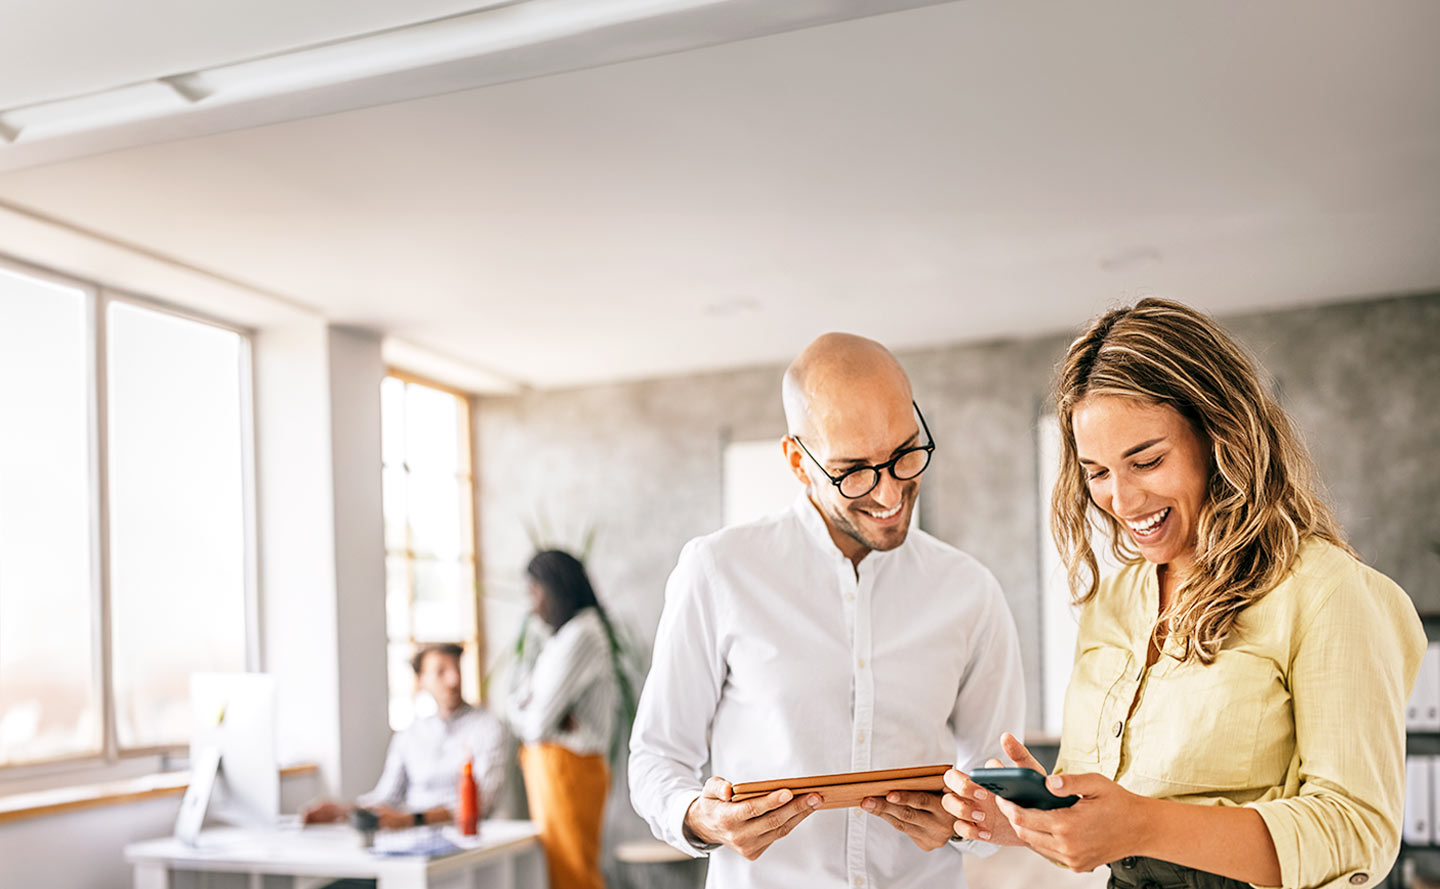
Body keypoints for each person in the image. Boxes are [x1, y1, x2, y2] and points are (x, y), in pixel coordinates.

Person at [943, 298, 1426, 889]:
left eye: (1145, 461)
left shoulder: (1326, 591)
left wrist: (1142, 825)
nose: (1119, 500)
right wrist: (1022, 820)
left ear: (1220, 438)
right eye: (1096, 472)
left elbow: (1357, 832)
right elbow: (1104, 820)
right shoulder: (1112, 600)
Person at [629, 332, 1026, 889]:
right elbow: (656, 760)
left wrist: (965, 822)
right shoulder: (718, 571)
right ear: (798, 461)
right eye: (854, 471)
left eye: (906, 455)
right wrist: (703, 817)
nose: (889, 495)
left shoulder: (970, 591)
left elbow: (998, 775)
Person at [508, 549, 624, 889]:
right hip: (554, 768)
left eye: (535, 591)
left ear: (554, 588)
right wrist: (536, 713)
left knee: (575, 874)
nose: (532, 604)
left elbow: (534, 724)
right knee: (562, 873)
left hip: (570, 769)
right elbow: (515, 704)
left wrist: (535, 713)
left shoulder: (582, 634)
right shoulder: (560, 637)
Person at [303, 642, 507, 830]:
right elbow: (386, 796)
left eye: (456, 669)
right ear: (421, 681)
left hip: (464, 832)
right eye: (441, 672)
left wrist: (411, 819)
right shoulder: (409, 735)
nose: (454, 679)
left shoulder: (488, 727)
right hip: (410, 832)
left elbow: (481, 803)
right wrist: (343, 811)